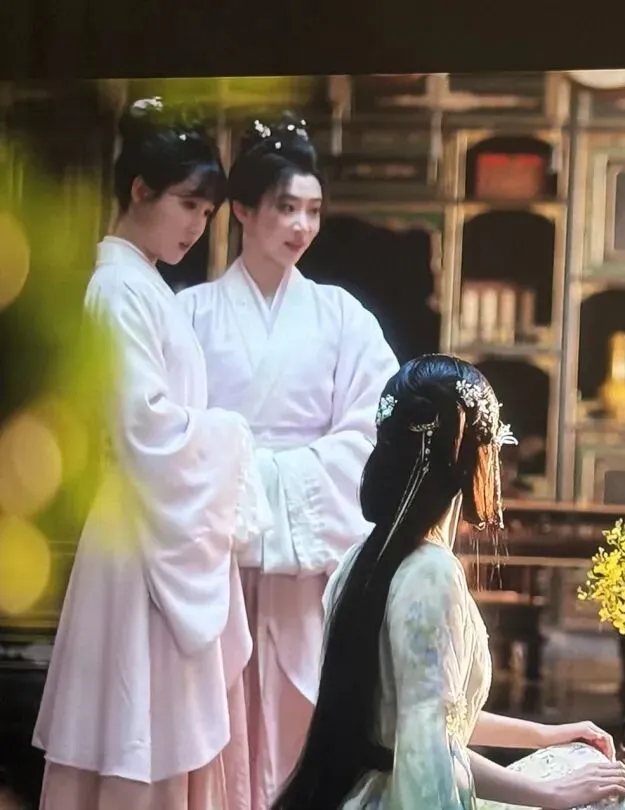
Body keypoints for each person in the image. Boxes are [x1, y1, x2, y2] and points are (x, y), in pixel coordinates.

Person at [273, 355, 625, 810]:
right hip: (411, 798)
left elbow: (433, 716)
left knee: (580, 760)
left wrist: (545, 734)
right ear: (475, 456)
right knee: (622, 800)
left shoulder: (360, 561)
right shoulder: (432, 574)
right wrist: (551, 793)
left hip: (368, 793)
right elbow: (427, 747)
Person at [32, 97, 270, 809]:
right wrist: (231, 433)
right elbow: (145, 425)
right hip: (141, 531)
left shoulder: (142, 283)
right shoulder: (118, 287)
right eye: (188, 205)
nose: (198, 226)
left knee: (153, 727)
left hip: (162, 525)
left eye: (207, 212)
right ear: (140, 190)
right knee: (135, 732)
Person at [177, 114, 399, 809]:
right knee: (215, 709)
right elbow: (170, 428)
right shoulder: (191, 314)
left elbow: (376, 425)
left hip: (308, 562)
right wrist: (241, 483)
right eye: (285, 207)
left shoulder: (342, 317)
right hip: (216, 550)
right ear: (243, 210)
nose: (301, 226)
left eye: (313, 210)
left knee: (306, 705)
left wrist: (278, 484)